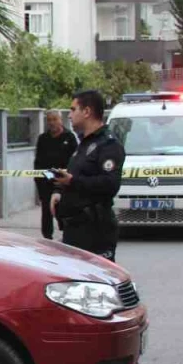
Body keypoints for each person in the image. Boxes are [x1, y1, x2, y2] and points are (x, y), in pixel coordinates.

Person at [52, 89, 124, 261]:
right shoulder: (84, 143)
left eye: (73, 109)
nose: (69, 115)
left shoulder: (108, 144)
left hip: (94, 230)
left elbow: (110, 184)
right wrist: (59, 191)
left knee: (95, 277)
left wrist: (72, 181)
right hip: (74, 229)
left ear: (86, 111)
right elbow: (75, 174)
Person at [34, 109, 79, 240]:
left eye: (55, 119)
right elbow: (38, 162)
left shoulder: (69, 137)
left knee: (63, 209)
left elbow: (75, 160)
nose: (52, 122)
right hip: (46, 181)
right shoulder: (43, 139)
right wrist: (41, 179)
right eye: (49, 120)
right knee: (46, 211)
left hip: (64, 181)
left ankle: (66, 235)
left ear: (60, 120)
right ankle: (47, 238)